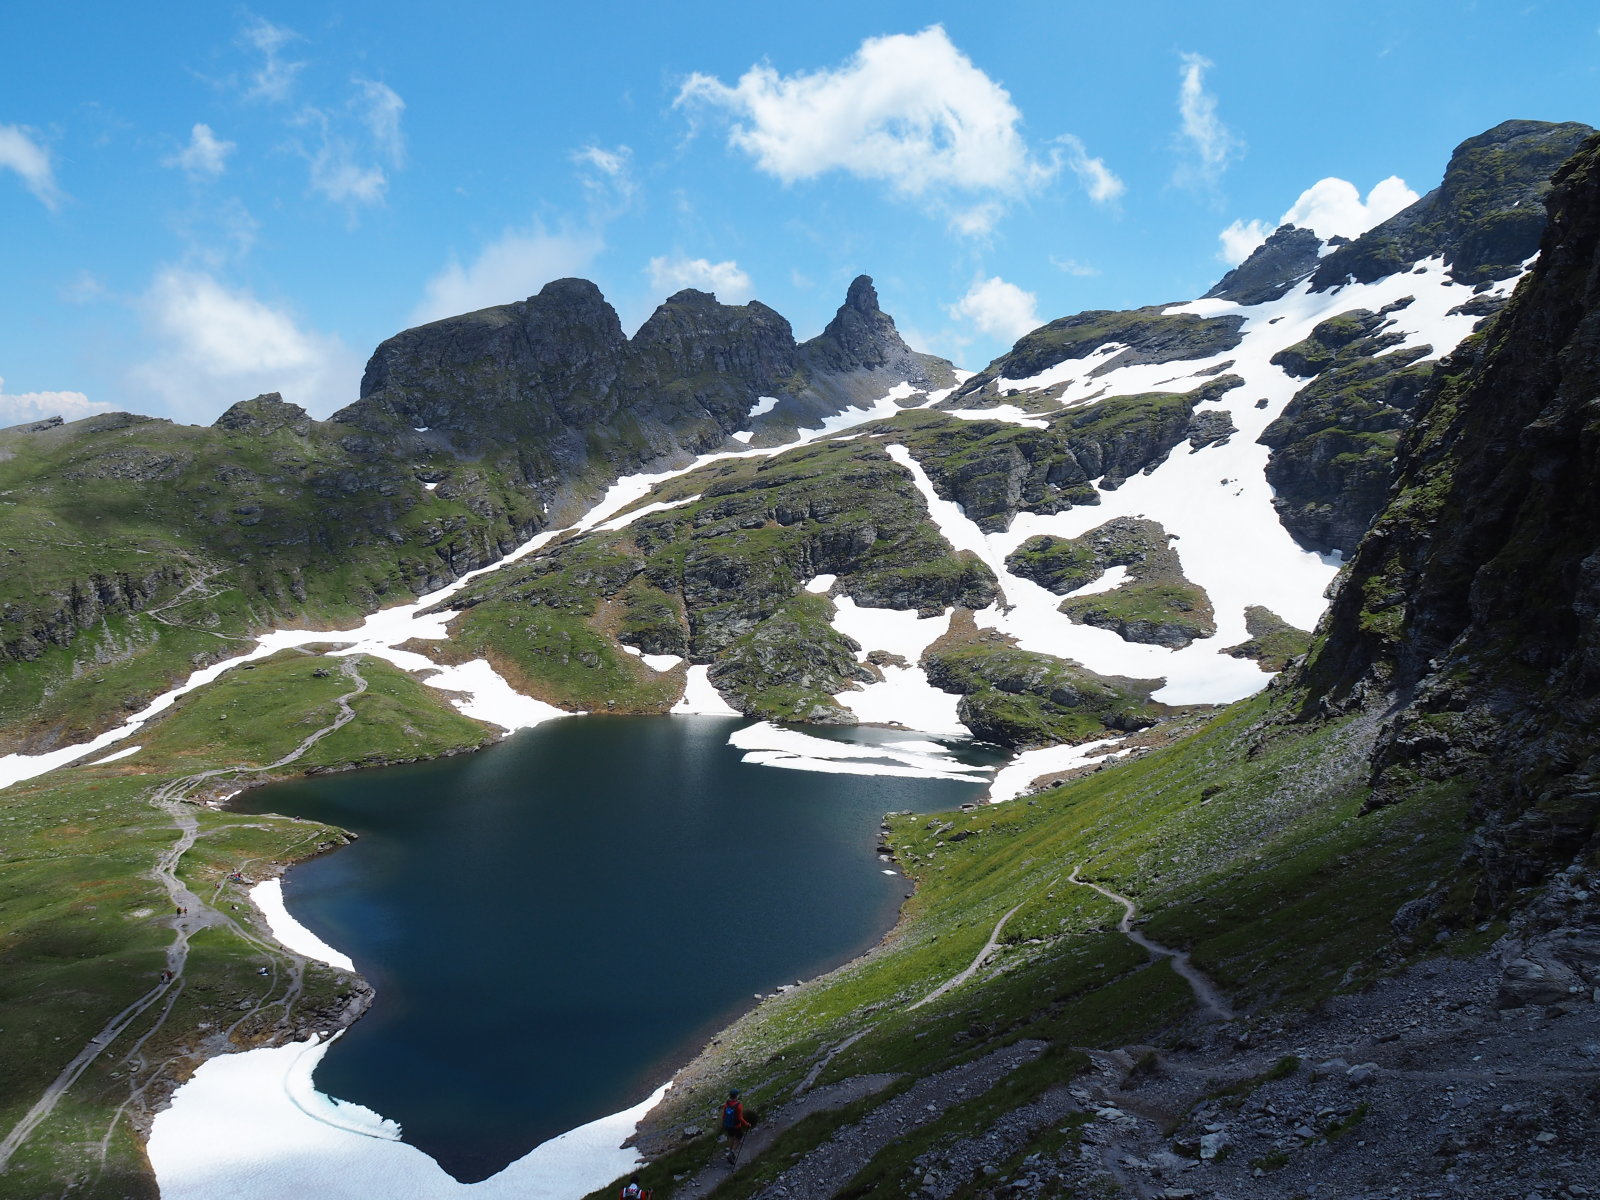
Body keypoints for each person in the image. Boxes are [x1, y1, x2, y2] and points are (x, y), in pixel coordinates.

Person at [720, 1088, 750, 1165]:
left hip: (728, 1124)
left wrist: (723, 1123)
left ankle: (730, 1152)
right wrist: (747, 1124)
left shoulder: (727, 1103)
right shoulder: (739, 1105)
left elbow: (723, 1115)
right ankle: (732, 1153)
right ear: (736, 1096)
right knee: (739, 1137)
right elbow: (740, 1118)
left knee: (731, 1137)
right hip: (736, 1125)